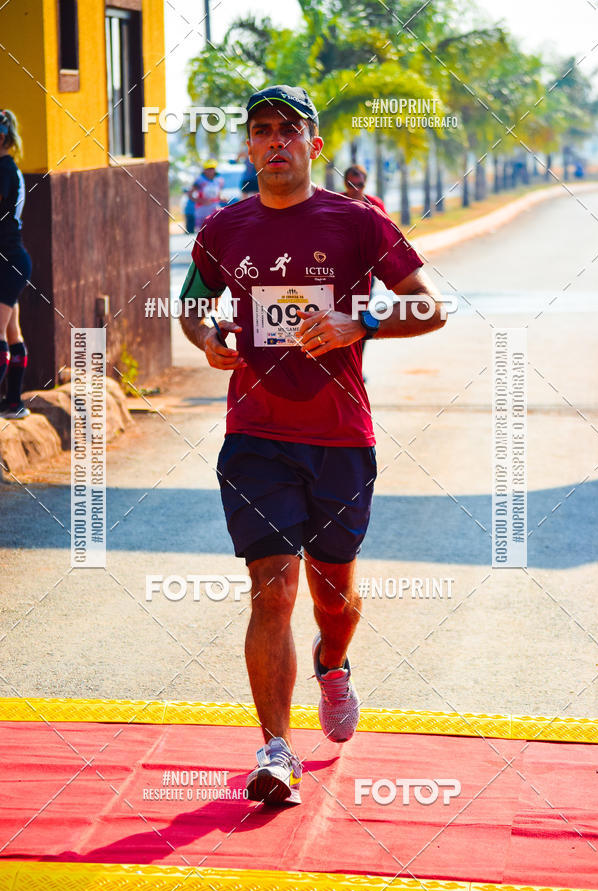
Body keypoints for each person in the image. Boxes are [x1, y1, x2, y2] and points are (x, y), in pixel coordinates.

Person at [179, 85, 447, 806]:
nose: (274, 142)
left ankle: (335, 662)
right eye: (261, 130)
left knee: (336, 597)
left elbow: (429, 306)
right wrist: (209, 338)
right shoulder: (223, 229)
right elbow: (191, 307)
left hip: (339, 439)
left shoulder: (357, 221)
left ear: (313, 145)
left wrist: (362, 323)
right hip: (255, 437)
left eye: (288, 131)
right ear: (247, 146)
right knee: (272, 588)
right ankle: (275, 749)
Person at [0, 109, 32, 420]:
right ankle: (14, 403)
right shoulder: (9, 168)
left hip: (8, 260)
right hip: (12, 258)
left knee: (2, 332)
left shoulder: (5, 170)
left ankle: (14, 403)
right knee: (12, 332)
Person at [192, 160, 224, 231]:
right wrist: (201, 201)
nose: (211, 171)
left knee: (215, 229)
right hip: (202, 210)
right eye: (209, 169)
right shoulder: (199, 180)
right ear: (205, 170)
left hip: (214, 209)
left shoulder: (219, 180)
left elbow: (218, 195)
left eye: (212, 169)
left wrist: (224, 199)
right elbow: (190, 194)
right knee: (202, 232)